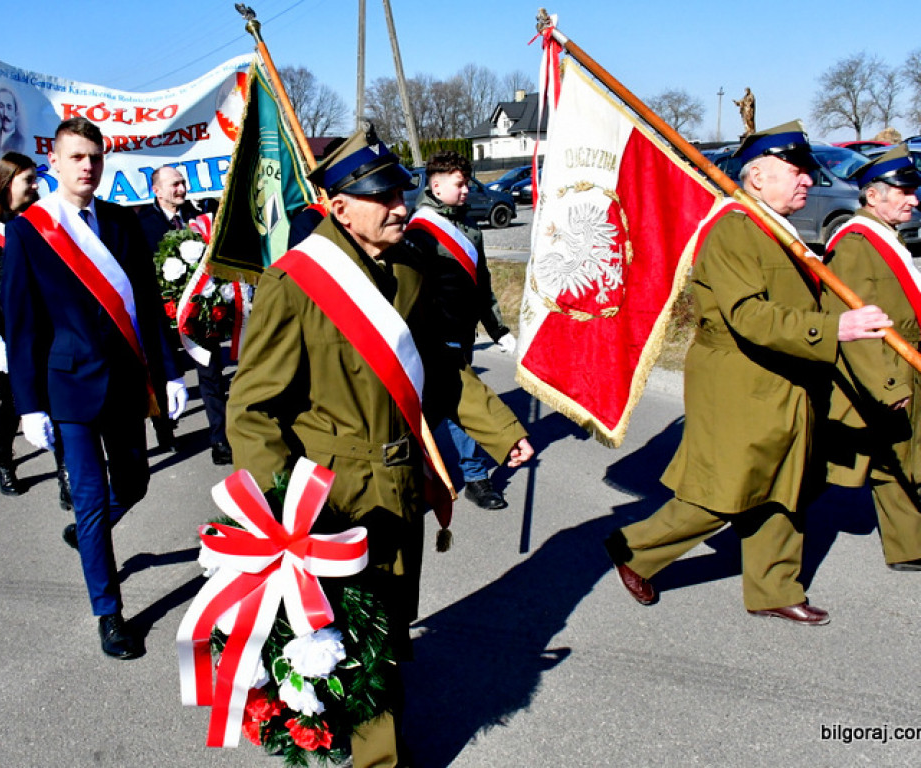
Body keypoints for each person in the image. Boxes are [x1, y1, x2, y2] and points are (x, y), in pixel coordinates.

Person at [226, 125, 533, 767]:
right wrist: (282, 511)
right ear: (340, 207)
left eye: (401, 191)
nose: (401, 205)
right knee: (360, 638)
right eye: (384, 196)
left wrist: (501, 430)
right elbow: (252, 410)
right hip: (331, 499)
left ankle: (365, 734)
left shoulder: (408, 271)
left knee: (386, 626)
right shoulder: (295, 283)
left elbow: (437, 369)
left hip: (399, 485)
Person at [603, 121, 893, 626]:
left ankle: (773, 588)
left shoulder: (774, 226)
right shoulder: (734, 229)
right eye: (797, 171)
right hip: (741, 382)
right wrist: (835, 329)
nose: (808, 180)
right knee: (727, 491)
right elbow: (749, 315)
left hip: (786, 378)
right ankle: (634, 548)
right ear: (757, 177)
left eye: (808, 172)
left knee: (786, 482)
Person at [2, 117, 187, 659]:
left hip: (125, 381)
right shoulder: (30, 230)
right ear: (54, 164)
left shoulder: (122, 221)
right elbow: (22, 325)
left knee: (133, 484)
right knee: (86, 498)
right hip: (69, 388)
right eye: (77, 157)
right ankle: (110, 614)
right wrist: (29, 405)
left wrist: (170, 371)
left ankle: (90, 530)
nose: (88, 166)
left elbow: (147, 304)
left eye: (95, 157)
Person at [821, 145, 921, 571]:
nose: (914, 200)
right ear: (874, 195)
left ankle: (909, 546)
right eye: (905, 192)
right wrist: (889, 385)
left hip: (904, 359)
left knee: (898, 457)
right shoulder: (856, 244)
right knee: (889, 455)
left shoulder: (884, 236)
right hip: (888, 366)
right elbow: (857, 322)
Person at [404, 150, 517, 510]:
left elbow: (482, 284)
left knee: (453, 404)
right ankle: (435, 475)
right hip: (432, 337)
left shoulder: (469, 227)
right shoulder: (420, 231)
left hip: (463, 332)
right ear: (436, 186)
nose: (467, 189)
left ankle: (470, 477)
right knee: (441, 406)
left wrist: (498, 330)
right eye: (459, 183)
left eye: (467, 183)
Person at [0, 151, 72, 506]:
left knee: (56, 398)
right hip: (9, 331)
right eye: (28, 180)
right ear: (7, 182)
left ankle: (66, 475)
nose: (35, 186)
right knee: (13, 403)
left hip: (47, 325)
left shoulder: (41, 219)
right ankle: (3, 461)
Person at [137, 165, 230, 463]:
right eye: (174, 184)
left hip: (199, 315)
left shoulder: (198, 217)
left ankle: (220, 439)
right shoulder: (143, 224)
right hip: (161, 317)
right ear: (157, 191)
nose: (181, 188)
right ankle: (165, 428)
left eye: (182, 182)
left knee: (211, 374)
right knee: (163, 375)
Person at [0, 87, 25, 154]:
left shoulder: (21, 142)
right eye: (1, 106)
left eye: (9, 107)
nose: (5, 113)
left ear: (16, 113)